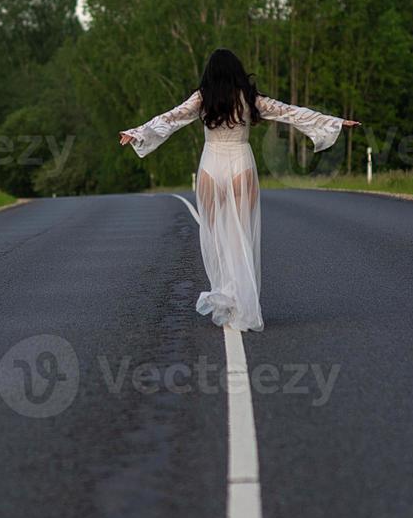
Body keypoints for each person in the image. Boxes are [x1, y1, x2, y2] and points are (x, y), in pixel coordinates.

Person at [119, 48, 359, 332]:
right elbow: (291, 113)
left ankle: (226, 297)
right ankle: (241, 303)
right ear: (237, 71)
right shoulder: (250, 98)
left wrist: (138, 132)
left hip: (211, 165)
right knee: (241, 238)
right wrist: (333, 122)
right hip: (241, 163)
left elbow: (170, 118)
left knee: (214, 235)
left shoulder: (202, 98)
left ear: (210, 73)